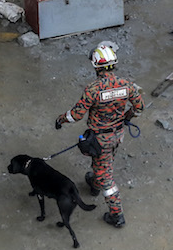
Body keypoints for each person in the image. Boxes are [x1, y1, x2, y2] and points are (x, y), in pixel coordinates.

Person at [54, 41, 143, 228]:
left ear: (95, 65)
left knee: (106, 179)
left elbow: (76, 115)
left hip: (99, 140)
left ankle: (116, 215)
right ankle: (94, 183)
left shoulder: (93, 89)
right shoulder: (127, 85)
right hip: (117, 135)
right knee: (105, 162)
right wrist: (127, 117)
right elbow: (139, 107)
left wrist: (61, 120)